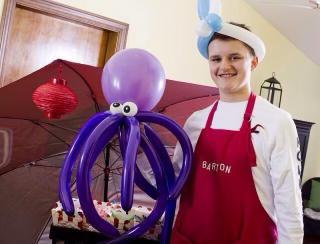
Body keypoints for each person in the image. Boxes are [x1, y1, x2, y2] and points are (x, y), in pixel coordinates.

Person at [170, 22, 303, 244]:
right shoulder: (195, 121)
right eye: (216, 59)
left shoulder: (277, 122)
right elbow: (176, 183)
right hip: (190, 238)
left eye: (234, 57)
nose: (224, 66)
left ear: (253, 62)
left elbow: (289, 202)